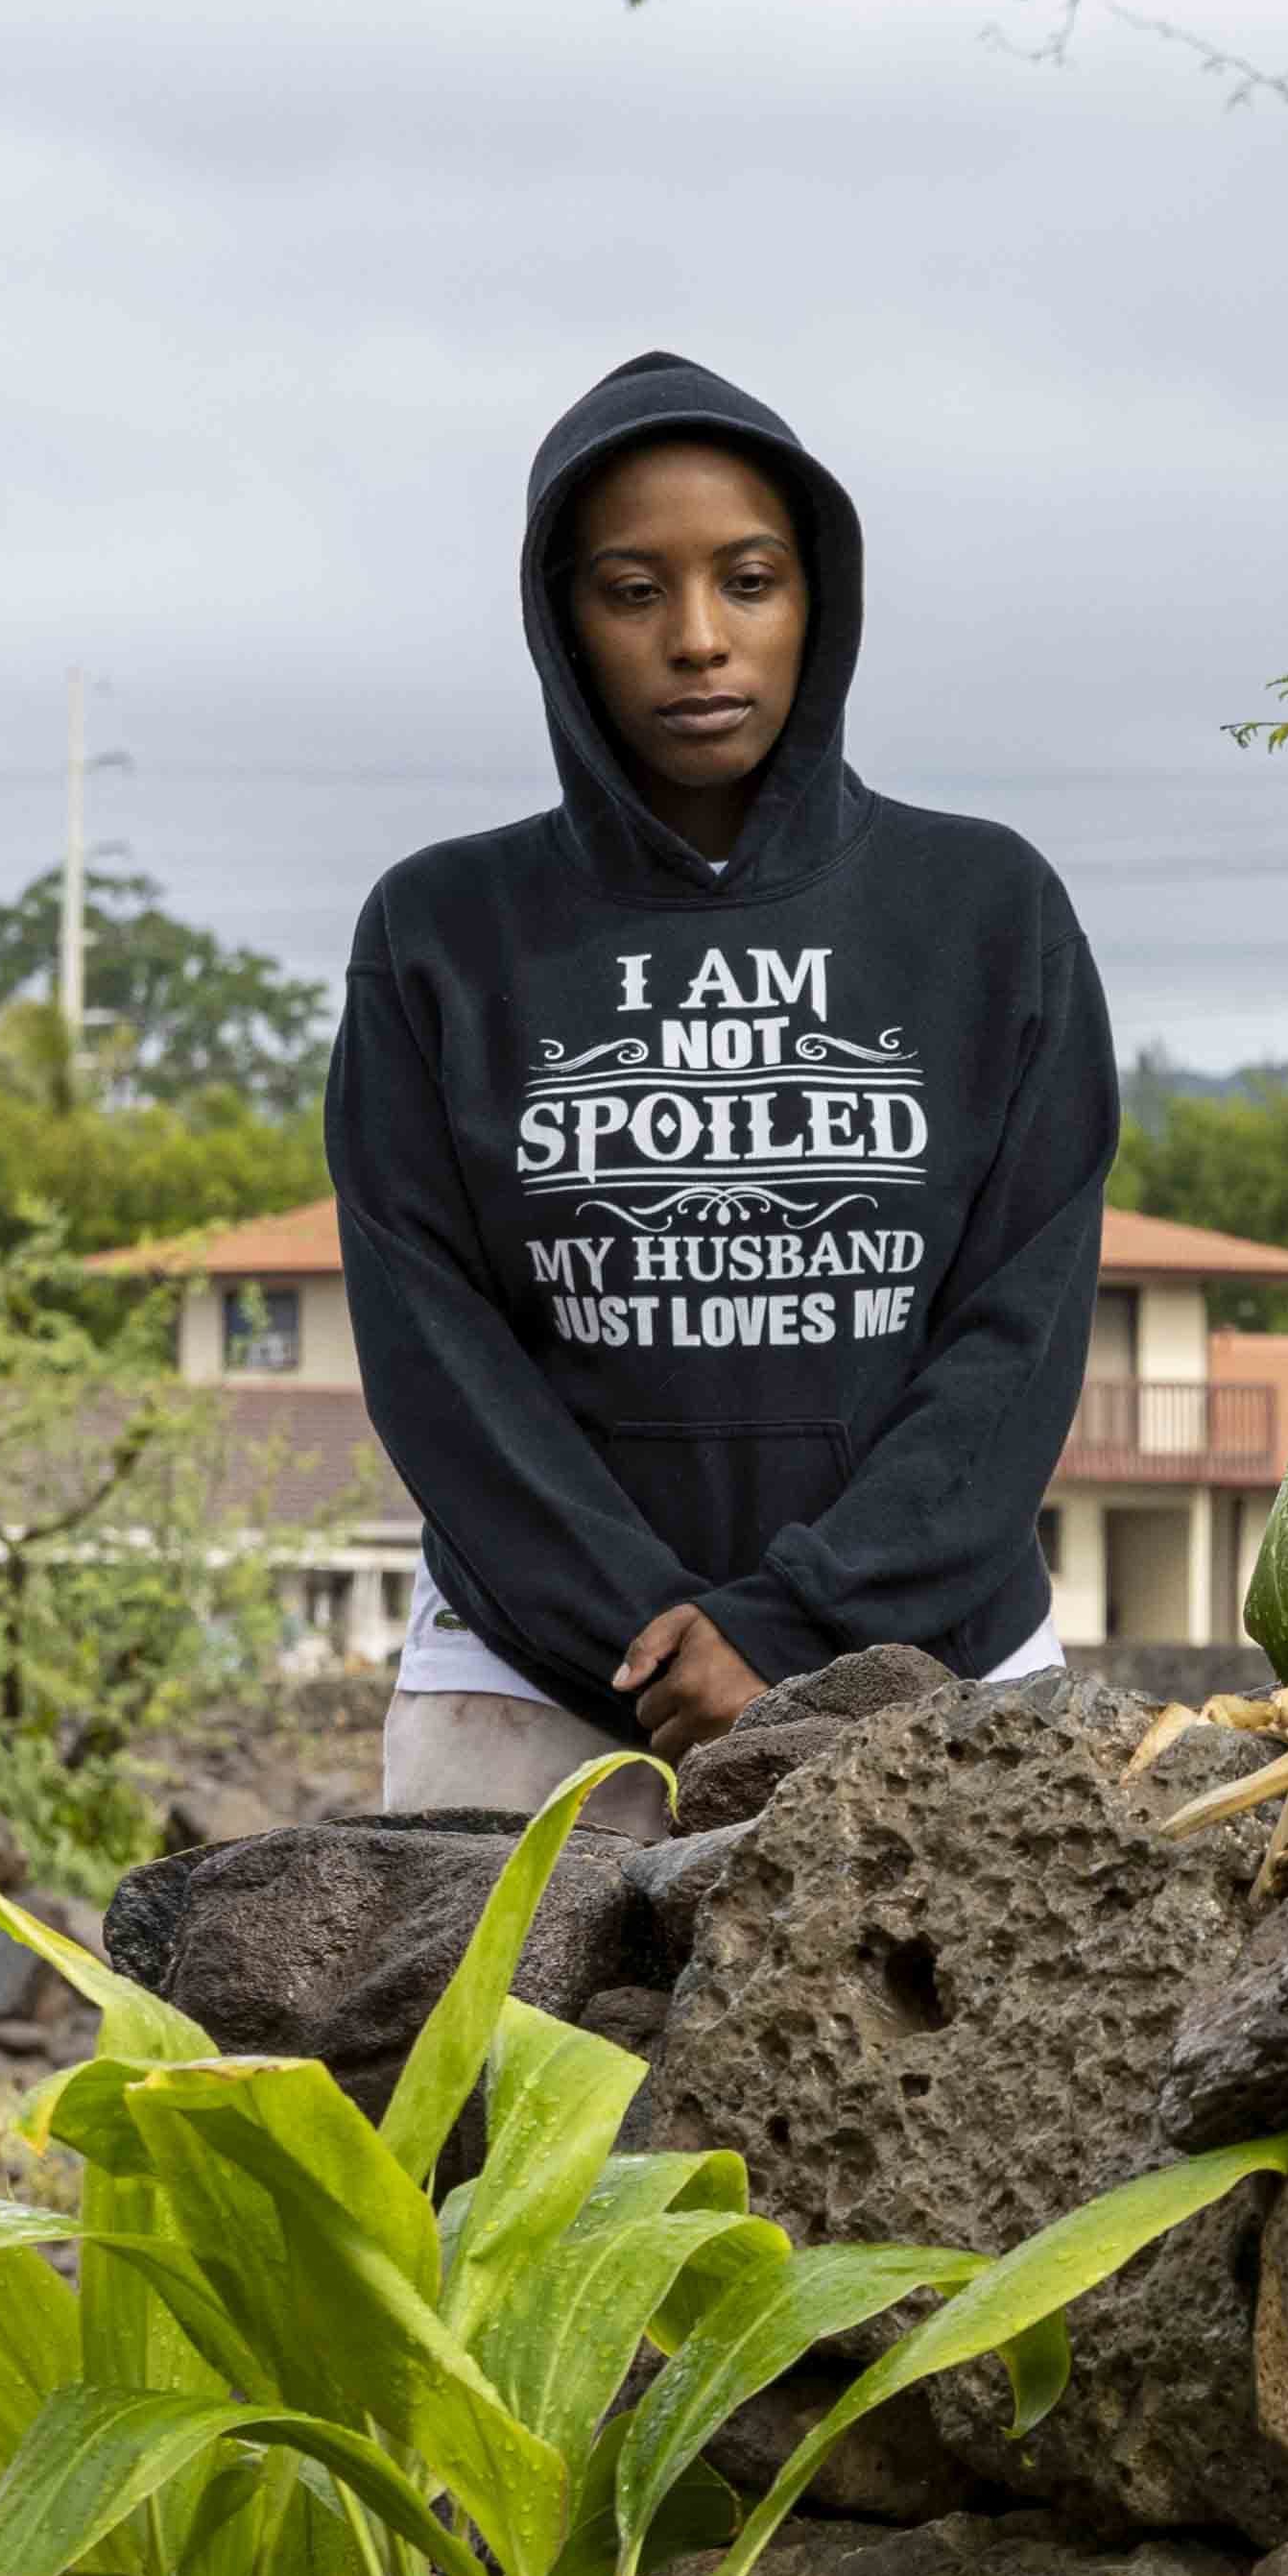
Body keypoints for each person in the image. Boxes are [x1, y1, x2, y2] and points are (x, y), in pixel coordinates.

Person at [328, 354, 1117, 1804]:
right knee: (498, 2048)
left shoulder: (985, 912)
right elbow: (434, 1350)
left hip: (937, 1677)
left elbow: (1019, 1330)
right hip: (535, 1694)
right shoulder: (440, 932)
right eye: (634, 591)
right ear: (561, 621)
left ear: (817, 598)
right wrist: (652, 1635)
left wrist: (798, 1628)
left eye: (747, 580)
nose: (698, 638)